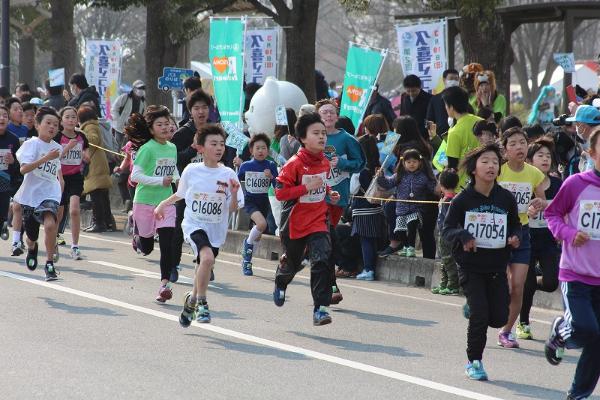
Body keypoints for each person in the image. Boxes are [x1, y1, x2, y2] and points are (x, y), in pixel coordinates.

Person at [442, 143, 521, 381]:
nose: (491, 166)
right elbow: (446, 230)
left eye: (495, 162)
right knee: (480, 316)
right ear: (474, 169)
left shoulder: (505, 198)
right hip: (471, 266)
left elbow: (516, 224)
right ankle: (474, 361)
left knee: (497, 318)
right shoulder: (463, 200)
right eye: (485, 161)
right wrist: (463, 235)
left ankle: (474, 308)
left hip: (497, 266)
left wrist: (515, 236)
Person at [154, 124, 243, 325]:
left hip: (216, 229)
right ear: (200, 148)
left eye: (222, 144)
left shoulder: (228, 174)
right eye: (213, 144)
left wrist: (235, 193)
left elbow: (234, 208)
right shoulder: (191, 170)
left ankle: (191, 301)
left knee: (205, 264)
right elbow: (181, 194)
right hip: (194, 224)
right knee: (207, 258)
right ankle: (202, 303)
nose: (219, 148)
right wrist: (162, 204)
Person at [543, 126, 600, 400]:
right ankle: (559, 331)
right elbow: (552, 214)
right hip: (576, 274)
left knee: (598, 341)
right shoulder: (576, 183)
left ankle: (577, 394)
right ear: (591, 153)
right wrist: (569, 233)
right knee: (585, 329)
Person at [273, 112, 340, 325]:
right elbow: (280, 193)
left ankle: (320, 309)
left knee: (321, 260)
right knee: (292, 264)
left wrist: (329, 192)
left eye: (323, 133)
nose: (322, 137)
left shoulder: (324, 163)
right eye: (316, 133)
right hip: (294, 223)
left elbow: (321, 183)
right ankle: (281, 282)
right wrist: (304, 188)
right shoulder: (294, 164)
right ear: (303, 137)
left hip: (318, 220)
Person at [496, 126, 548, 348]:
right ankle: (479, 305)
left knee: (518, 285)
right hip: (497, 232)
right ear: (505, 150)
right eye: (513, 143)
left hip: (522, 233)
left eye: (523, 142)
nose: (519, 147)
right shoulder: (497, 171)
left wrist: (537, 205)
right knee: (499, 285)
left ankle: (506, 332)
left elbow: (541, 201)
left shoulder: (534, 173)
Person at [128, 105, 179, 303]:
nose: (165, 127)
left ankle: (164, 285)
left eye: (167, 123)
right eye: (160, 124)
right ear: (151, 129)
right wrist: (160, 181)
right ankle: (138, 233)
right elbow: (135, 176)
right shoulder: (147, 148)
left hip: (166, 202)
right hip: (144, 202)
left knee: (167, 244)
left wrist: (179, 183)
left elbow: (172, 170)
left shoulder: (172, 147)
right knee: (147, 248)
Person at [316, 99, 365, 304]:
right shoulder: (312, 137)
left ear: (336, 116)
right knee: (323, 239)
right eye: (324, 113)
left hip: (337, 196)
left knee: (327, 239)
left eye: (331, 112)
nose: (328, 116)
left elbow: (360, 163)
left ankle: (328, 283)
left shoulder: (347, 139)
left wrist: (342, 162)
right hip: (315, 196)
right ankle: (331, 285)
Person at [517, 137, 561, 340]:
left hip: (549, 239)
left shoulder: (559, 184)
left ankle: (531, 281)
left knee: (552, 283)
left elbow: (565, 209)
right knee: (527, 286)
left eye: (548, 156)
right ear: (530, 160)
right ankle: (523, 322)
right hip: (527, 237)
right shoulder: (525, 182)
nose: (545, 159)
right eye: (540, 155)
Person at [14, 106, 64, 281]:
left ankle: (50, 264)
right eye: (48, 123)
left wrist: (61, 188)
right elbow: (24, 169)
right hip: (31, 195)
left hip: (50, 192)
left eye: (56, 124)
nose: (52, 127)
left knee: (50, 225)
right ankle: (33, 248)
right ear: (37, 124)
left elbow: (57, 173)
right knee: (31, 236)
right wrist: (45, 158)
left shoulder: (58, 148)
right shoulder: (31, 144)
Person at [170, 89, 212, 281]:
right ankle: (172, 264)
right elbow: (174, 158)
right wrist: (192, 149)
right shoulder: (183, 133)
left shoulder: (214, 132)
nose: (201, 112)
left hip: (209, 188)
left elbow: (223, 154)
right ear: (190, 111)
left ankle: (204, 262)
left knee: (207, 225)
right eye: (197, 108)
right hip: (186, 187)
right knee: (179, 225)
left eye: (204, 107)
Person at [377, 148, 436, 257]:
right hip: (401, 209)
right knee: (400, 230)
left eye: (414, 162)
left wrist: (438, 183)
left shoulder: (424, 177)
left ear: (420, 162)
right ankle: (405, 246)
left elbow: (433, 188)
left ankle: (411, 248)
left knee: (412, 226)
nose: (411, 164)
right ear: (403, 163)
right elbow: (387, 183)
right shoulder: (399, 176)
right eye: (408, 162)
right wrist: (380, 177)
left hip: (416, 209)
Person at [238, 133, 278, 275]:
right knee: (262, 224)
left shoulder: (271, 165)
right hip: (250, 202)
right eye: (257, 148)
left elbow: (277, 184)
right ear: (251, 150)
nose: (260, 151)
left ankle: (247, 257)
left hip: (264, 202)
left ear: (268, 150)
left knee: (258, 235)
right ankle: (247, 257)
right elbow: (236, 182)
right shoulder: (245, 166)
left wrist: (271, 177)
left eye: (264, 148)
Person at [54, 106, 89, 260]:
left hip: (75, 177)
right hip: (59, 177)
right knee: (59, 213)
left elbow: (87, 156)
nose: (70, 120)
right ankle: (53, 241)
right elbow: (54, 158)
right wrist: (68, 147)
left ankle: (75, 246)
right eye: (67, 117)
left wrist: (85, 156)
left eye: (73, 117)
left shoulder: (82, 137)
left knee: (74, 210)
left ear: (77, 120)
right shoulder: (56, 137)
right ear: (61, 120)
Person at [351, 134, 386, 281]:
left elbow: (352, 190)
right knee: (372, 240)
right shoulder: (378, 168)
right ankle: (370, 268)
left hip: (362, 208)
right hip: (377, 207)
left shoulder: (360, 170)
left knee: (365, 241)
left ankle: (368, 269)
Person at [79, 105, 114, 232]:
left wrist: (80, 135)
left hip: (95, 164)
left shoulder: (89, 127)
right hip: (99, 162)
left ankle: (99, 222)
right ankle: (107, 222)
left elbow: (94, 139)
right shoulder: (94, 125)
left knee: (96, 196)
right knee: (102, 195)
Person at [442, 86, 482, 191]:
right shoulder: (482, 122)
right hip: (484, 182)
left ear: (451, 107)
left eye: (446, 105)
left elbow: (452, 165)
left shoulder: (454, 132)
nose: (445, 108)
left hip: (462, 186)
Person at [431, 169, 460, 295]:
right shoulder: (452, 198)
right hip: (447, 233)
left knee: (448, 259)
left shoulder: (449, 200)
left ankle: (453, 285)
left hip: (446, 234)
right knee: (444, 259)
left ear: (441, 184)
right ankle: (444, 283)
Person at [0, 106, 20, 242]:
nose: (2, 118)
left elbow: (19, 165)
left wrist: (13, 161)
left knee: (2, 214)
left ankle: (3, 224)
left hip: (4, 180)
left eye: (5, 116)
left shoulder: (13, 139)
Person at [565, 105, 600, 173]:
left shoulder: (595, 149)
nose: (576, 128)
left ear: (582, 127)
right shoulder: (590, 147)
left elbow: (589, 176)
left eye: (577, 124)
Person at [111, 80, 146, 145]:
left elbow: (143, 115)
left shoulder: (143, 101)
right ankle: (116, 155)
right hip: (120, 127)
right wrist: (118, 120)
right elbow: (114, 109)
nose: (141, 90)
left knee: (129, 146)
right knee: (117, 145)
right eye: (139, 88)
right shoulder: (125, 97)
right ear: (134, 88)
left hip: (133, 128)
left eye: (143, 88)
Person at [426, 68, 460, 137]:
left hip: (459, 134)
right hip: (441, 137)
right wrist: (432, 135)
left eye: (456, 79)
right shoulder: (435, 99)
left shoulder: (462, 97)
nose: (453, 81)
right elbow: (429, 119)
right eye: (451, 79)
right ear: (444, 80)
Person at [399, 75, 432, 140]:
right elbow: (402, 114)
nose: (411, 93)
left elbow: (430, 119)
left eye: (414, 91)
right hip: (407, 134)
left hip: (423, 135)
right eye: (408, 91)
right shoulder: (404, 96)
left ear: (420, 87)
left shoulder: (429, 99)